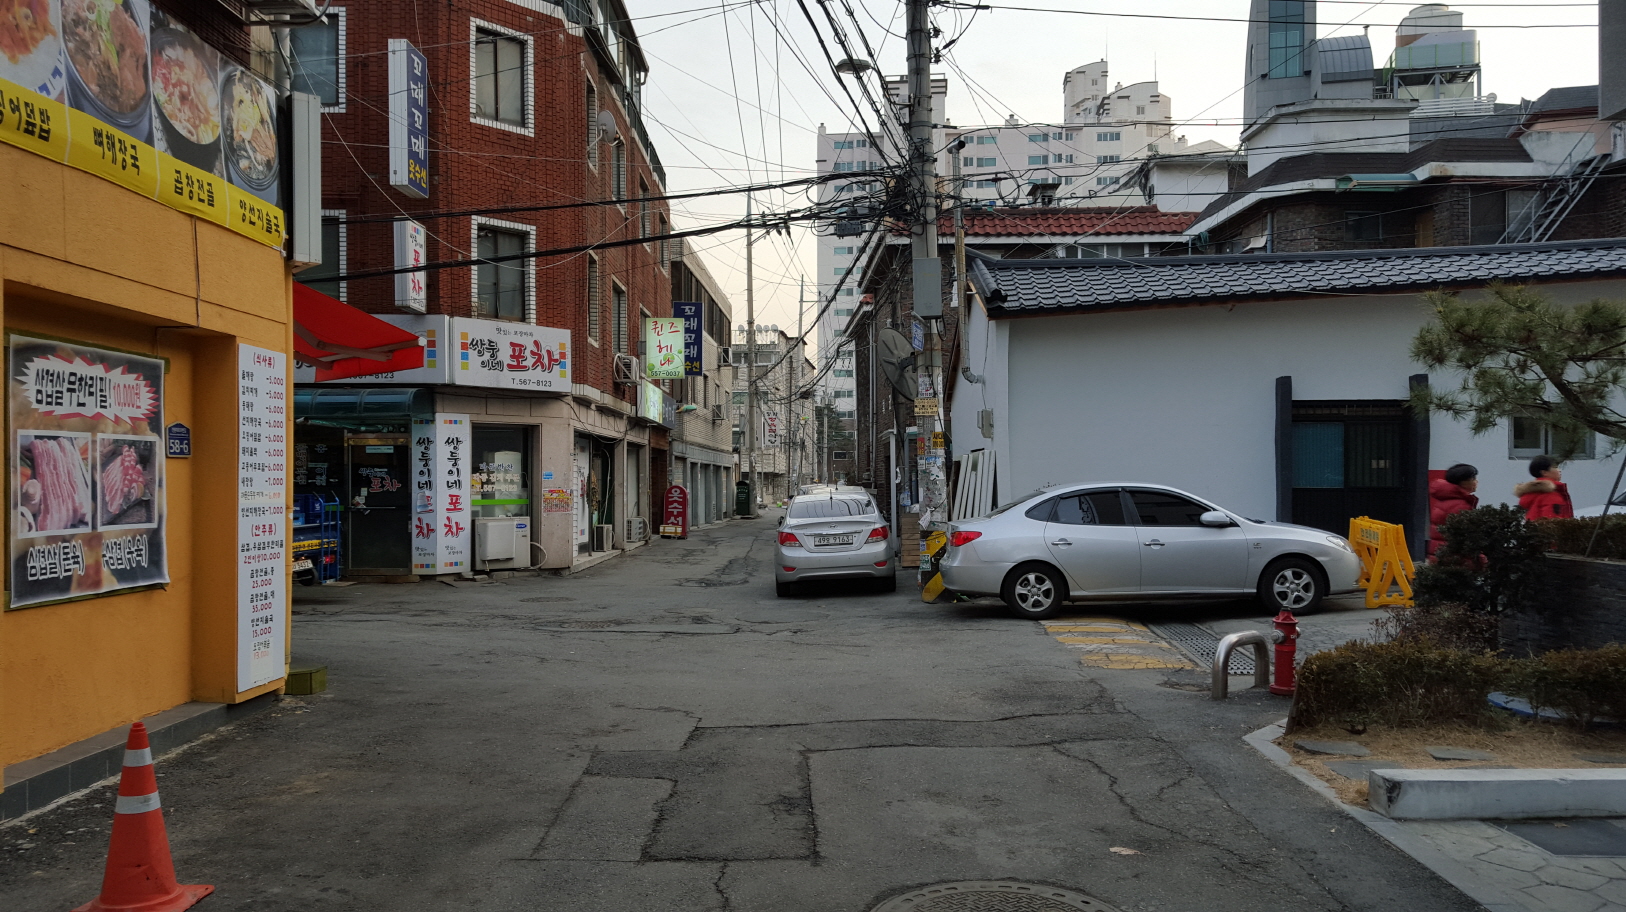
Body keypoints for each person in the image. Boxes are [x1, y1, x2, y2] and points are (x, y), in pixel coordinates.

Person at [1428, 463, 1479, 560]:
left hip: (1441, 555)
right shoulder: (1460, 505)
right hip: (1455, 559)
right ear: (1463, 482)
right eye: (1473, 479)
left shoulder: (1445, 499)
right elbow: (1466, 535)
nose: (1476, 481)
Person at [1516, 455, 1574, 521]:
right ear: (1544, 472)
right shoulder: (1551, 496)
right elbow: (1551, 523)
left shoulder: (1533, 493)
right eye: (1555, 467)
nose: (1559, 470)